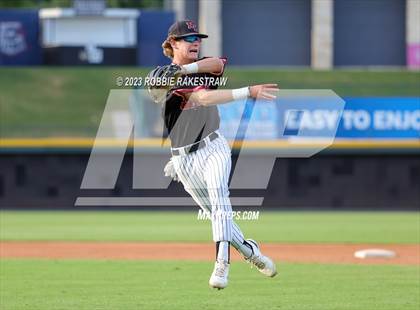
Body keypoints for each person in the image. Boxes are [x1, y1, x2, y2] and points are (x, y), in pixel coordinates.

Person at [147, 20, 278, 289]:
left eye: (198, 37)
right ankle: (249, 250)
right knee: (217, 215)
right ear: (173, 43)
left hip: (213, 146)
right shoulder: (161, 76)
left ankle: (221, 266)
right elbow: (188, 97)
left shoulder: (198, 68)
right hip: (184, 159)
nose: (196, 42)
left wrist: (185, 69)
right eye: (188, 38)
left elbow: (217, 65)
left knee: (220, 202)